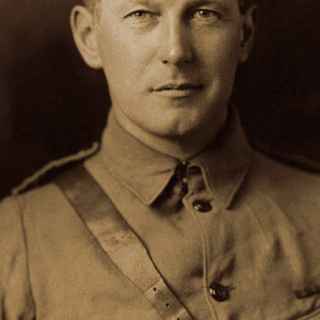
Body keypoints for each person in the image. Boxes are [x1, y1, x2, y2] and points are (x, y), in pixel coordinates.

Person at [1, 0, 320, 319]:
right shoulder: (14, 239)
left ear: (245, 35)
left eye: (204, 14)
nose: (177, 51)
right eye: (141, 14)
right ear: (89, 36)